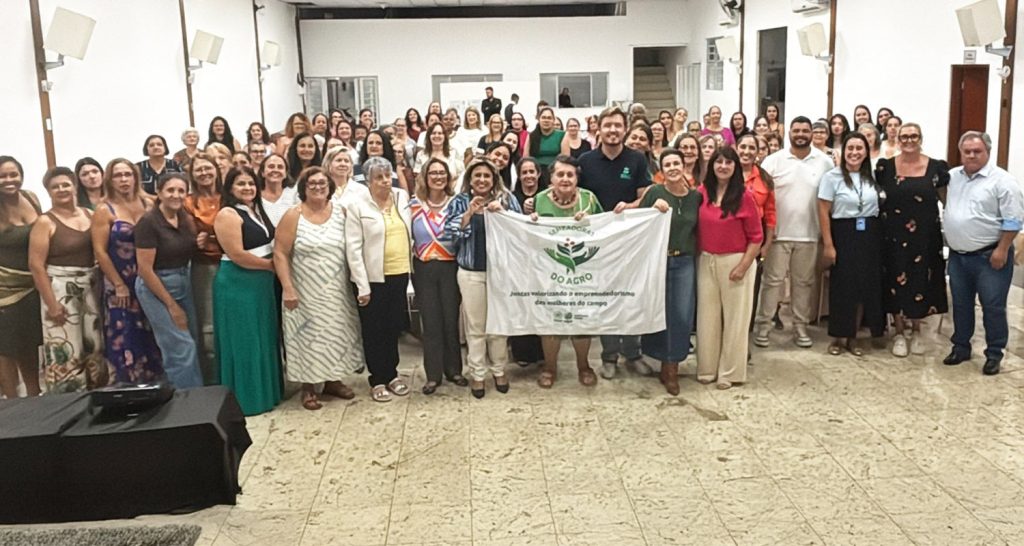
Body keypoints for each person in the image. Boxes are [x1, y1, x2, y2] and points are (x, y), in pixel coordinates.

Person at [274, 167, 361, 410]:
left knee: (335, 335)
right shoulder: (293, 215)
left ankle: (333, 380)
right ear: (303, 188)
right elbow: (280, 253)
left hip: (336, 290)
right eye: (312, 183)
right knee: (307, 338)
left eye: (322, 183)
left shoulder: (340, 212)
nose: (318, 187)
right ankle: (309, 387)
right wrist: (288, 288)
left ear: (330, 186)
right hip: (303, 290)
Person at [575, 106, 651, 379]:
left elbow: (646, 198)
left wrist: (630, 206)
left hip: (630, 241)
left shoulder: (637, 160)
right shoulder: (585, 160)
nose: (613, 130)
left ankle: (633, 352)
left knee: (631, 296)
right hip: (597, 244)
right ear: (599, 128)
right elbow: (574, 195)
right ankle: (609, 356)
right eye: (608, 125)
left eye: (618, 125)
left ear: (625, 128)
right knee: (605, 298)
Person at [942, 131, 1023, 375]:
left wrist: (1002, 250)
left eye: (977, 151)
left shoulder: (1003, 181)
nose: (971, 155)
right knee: (961, 304)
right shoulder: (953, 176)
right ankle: (961, 347)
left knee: (992, 305)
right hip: (958, 256)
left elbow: (1013, 220)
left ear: (988, 152)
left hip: (990, 256)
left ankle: (994, 353)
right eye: (967, 151)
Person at [753, 117, 835, 348]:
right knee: (772, 283)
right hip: (778, 235)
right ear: (789, 132)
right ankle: (763, 326)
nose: (800, 134)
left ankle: (800, 327)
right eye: (796, 130)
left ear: (812, 134)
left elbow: (829, 199)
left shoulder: (824, 163)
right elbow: (762, 197)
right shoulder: (773, 161)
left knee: (804, 283)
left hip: (809, 234)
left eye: (805, 130)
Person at [444, 158, 522, 398]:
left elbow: (521, 231)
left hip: (501, 273)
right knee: (475, 326)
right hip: (471, 272)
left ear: (494, 178)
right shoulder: (459, 201)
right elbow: (449, 234)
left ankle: (499, 369)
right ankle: (478, 373)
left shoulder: (507, 199)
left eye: (487, 176)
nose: (482, 180)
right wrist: (469, 214)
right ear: (470, 179)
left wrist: (504, 214)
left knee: (498, 325)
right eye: (477, 175)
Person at [29, 167, 109, 393]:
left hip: (91, 287)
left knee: (96, 347)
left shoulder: (89, 214)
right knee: (68, 350)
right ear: (48, 192)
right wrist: (52, 305)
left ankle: (98, 398)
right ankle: (68, 406)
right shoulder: (45, 222)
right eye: (55, 187)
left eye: (66, 184)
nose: (62, 189)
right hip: (60, 290)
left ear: (75, 186)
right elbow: (36, 266)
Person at [528, 156, 602, 388]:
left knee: (582, 320)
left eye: (570, 174)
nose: (565, 179)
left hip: (582, 270)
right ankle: (550, 367)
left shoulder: (589, 199)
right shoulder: (538, 201)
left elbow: (605, 229)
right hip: (549, 272)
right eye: (560, 174)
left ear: (577, 178)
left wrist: (591, 222)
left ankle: (584, 365)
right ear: (550, 178)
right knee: (551, 322)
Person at [876, 123, 949, 357]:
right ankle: (898, 332)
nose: (909, 140)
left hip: (925, 237)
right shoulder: (885, 167)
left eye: (913, 136)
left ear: (921, 138)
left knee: (920, 280)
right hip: (892, 235)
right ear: (897, 139)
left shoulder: (936, 168)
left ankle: (916, 330)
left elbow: (946, 201)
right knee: (894, 281)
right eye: (904, 136)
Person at [213, 166, 280, 415]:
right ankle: (247, 399)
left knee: (262, 338)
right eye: (241, 184)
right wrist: (272, 266)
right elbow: (237, 254)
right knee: (245, 341)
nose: (247, 188)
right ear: (230, 188)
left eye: (251, 183)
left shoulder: (255, 210)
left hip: (259, 284)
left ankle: (267, 393)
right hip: (239, 284)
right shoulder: (227, 214)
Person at [90, 159, 163, 384]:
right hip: (120, 281)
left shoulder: (149, 203)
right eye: (117, 175)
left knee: (152, 331)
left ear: (135, 177)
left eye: (127, 174)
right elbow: (100, 252)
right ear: (110, 180)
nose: (123, 180)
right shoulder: (104, 210)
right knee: (126, 334)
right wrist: (118, 284)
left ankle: (157, 383)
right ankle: (129, 386)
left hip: (149, 276)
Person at [345, 157, 412, 402]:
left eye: (387, 175)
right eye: (379, 177)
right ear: (368, 180)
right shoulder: (357, 205)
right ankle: (378, 378)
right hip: (372, 278)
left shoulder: (401, 197)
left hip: (400, 272)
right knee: (375, 329)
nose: (385, 181)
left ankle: (392, 373)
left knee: (393, 326)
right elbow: (353, 248)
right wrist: (361, 284)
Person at [696, 147, 763, 389]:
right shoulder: (701, 193)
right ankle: (707, 368)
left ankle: (730, 372)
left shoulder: (745, 197)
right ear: (712, 165)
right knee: (707, 317)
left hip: (736, 261)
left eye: (728, 162)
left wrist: (743, 266)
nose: (723, 166)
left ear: (735, 167)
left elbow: (757, 237)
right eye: (719, 161)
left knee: (736, 320)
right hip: (706, 260)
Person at [134, 173, 204, 390]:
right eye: (171, 190)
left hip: (183, 280)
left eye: (181, 191)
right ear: (159, 192)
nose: (176, 195)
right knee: (180, 347)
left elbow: (183, 249)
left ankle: (195, 395)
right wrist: (171, 306)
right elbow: (145, 269)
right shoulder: (148, 222)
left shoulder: (184, 218)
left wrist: (198, 242)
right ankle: (187, 405)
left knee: (191, 342)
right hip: (156, 286)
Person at [638, 149, 700, 395]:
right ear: (661, 170)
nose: (673, 167)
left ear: (684, 166)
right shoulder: (655, 191)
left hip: (684, 261)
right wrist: (653, 207)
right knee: (657, 311)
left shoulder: (696, 197)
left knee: (681, 315)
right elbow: (638, 221)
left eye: (677, 163)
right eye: (668, 164)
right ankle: (660, 358)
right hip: (657, 261)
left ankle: (672, 366)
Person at [818, 133, 885, 356]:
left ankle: (854, 337)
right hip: (843, 233)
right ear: (843, 151)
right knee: (842, 287)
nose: (854, 153)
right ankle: (838, 337)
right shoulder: (832, 177)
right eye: (850, 148)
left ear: (866, 151)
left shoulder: (872, 176)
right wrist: (828, 244)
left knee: (863, 287)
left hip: (870, 235)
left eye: (859, 148)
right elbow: (823, 211)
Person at [409, 158, 466, 394]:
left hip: (450, 266)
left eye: (442, 173)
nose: (438, 177)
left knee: (450, 320)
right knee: (430, 322)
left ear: (449, 177)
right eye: (433, 173)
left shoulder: (457, 203)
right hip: (423, 268)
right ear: (425, 176)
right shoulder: (412, 204)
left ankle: (454, 370)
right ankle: (433, 375)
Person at [0, 156, 44, 398]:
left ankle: (34, 400)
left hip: (32, 285)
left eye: (13, 174)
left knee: (28, 345)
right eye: (3, 176)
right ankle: (11, 407)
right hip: (4, 292)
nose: (9, 180)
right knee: (5, 350)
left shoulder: (31, 198)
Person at [184, 154, 222, 384]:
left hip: (233, 263)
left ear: (216, 170)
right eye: (198, 170)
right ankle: (212, 380)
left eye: (208, 168)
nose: (204, 173)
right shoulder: (188, 203)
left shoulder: (227, 196)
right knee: (208, 325)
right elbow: (190, 237)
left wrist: (210, 236)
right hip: (203, 266)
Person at [736, 134, 776, 331]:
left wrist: (767, 245)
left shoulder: (765, 179)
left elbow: (770, 214)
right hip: (728, 236)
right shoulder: (725, 171)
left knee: (751, 289)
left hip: (755, 238)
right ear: (736, 148)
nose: (746, 151)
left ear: (758, 152)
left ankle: (745, 338)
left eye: (752, 148)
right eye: (743, 146)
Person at [527, 107, 565, 185]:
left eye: (549, 118)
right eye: (543, 117)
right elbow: (526, 158)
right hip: (536, 176)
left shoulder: (563, 135)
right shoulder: (531, 136)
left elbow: (565, 159)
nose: (546, 120)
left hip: (555, 173)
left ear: (553, 120)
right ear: (539, 119)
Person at [259, 154, 297, 227]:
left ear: (286, 173)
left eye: (280, 167)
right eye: (271, 166)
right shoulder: (255, 196)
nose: (275, 170)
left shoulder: (294, 193)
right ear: (262, 173)